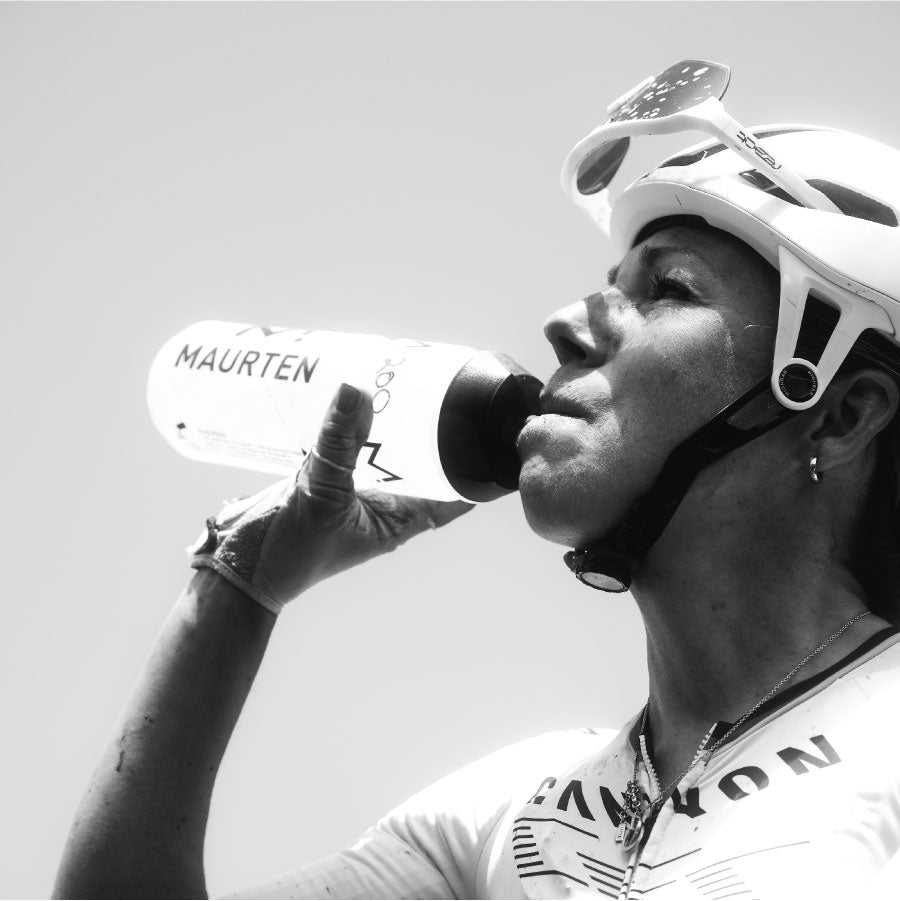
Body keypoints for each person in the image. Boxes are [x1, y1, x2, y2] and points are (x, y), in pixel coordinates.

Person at [54, 60, 900, 900]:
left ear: (842, 413)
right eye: (612, 286)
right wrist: (237, 586)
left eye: (669, 290)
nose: (565, 323)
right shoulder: (514, 809)